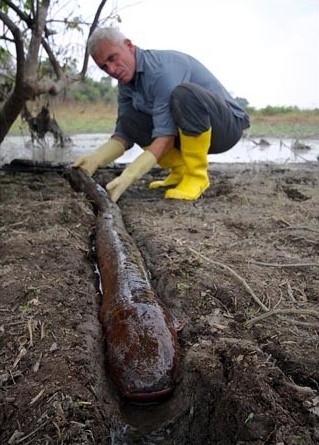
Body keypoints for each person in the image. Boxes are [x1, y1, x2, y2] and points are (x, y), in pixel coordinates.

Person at [74, 27, 250, 202]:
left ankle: (196, 176)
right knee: (130, 120)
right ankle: (180, 170)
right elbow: (124, 133)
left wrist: (130, 174)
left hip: (226, 127)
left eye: (112, 58)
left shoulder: (162, 70)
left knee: (184, 94)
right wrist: (96, 158)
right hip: (186, 131)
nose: (111, 69)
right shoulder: (126, 85)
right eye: (104, 66)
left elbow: (165, 137)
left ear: (128, 45)